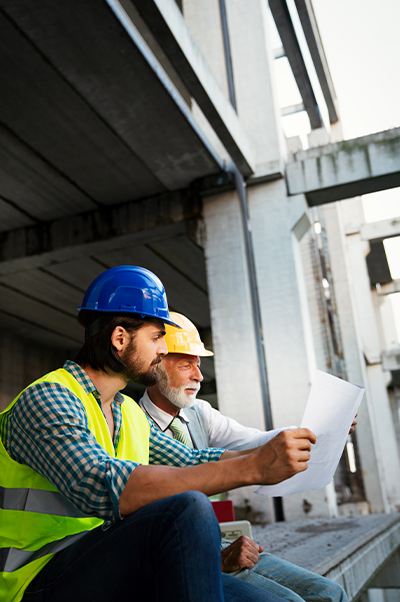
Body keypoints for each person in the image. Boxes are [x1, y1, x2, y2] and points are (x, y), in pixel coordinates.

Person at [0, 265, 317, 602]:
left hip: (111, 561)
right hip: (37, 581)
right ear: (120, 338)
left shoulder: (128, 412)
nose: (163, 349)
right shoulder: (48, 397)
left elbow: (190, 462)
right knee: (186, 509)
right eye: (156, 337)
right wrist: (254, 468)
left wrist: (269, 455)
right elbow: (101, 484)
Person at [141, 311, 350, 602]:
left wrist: (313, 432)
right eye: (187, 364)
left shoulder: (198, 412)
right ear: (156, 363)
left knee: (330, 593)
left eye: (198, 365)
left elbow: (252, 439)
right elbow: (195, 463)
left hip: (217, 542)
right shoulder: (136, 423)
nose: (199, 376)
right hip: (181, 552)